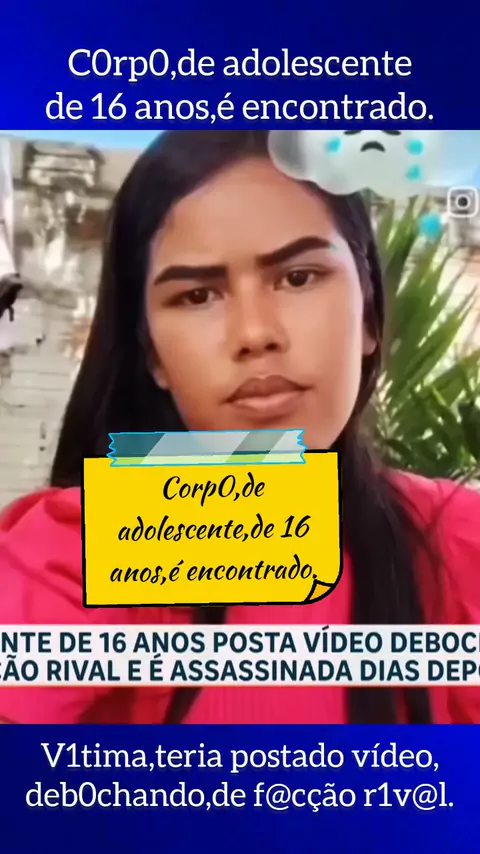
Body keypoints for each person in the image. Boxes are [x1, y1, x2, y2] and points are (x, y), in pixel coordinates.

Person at [0, 130, 478, 725]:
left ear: (369, 316)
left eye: (298, 277)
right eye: (198, 295)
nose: (255, 333)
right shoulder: (74, 552)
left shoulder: (458, 542)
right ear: (153, 356)